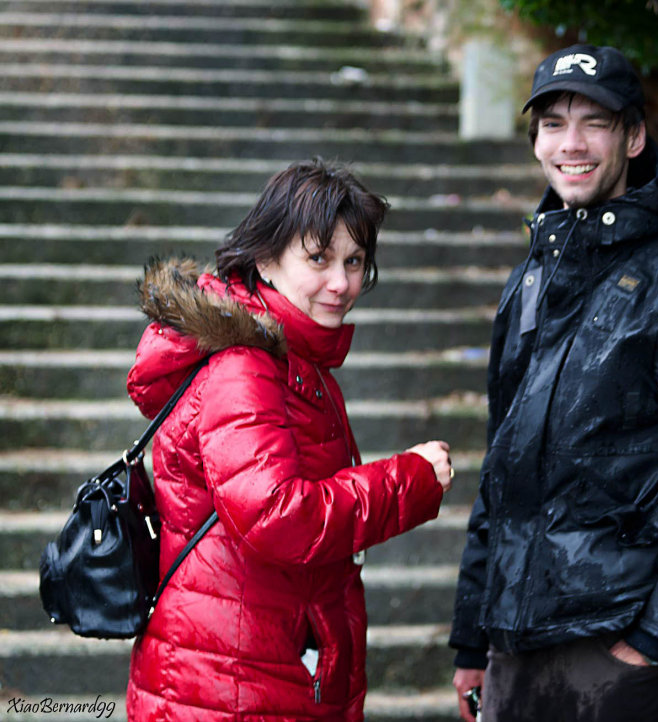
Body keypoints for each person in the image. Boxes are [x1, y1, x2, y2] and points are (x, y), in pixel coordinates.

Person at [449, 44, 658, 722]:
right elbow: (502, 475)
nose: (572, 144)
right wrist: (472, 638)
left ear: (634, 137)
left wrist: (654, 642)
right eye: (554, 123)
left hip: (618, 653)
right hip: (515, 653)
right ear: (535, 139)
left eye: (595, 122)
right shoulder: (529, 278)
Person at [125, 158, 454, 721]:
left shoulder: (292, 358)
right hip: (226, 683)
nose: (342, 283)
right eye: (319, 258)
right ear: (265, 256)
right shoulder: (244, 368)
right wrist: (409, 481)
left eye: (354, 262)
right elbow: (278, 516)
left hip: (250, 666)